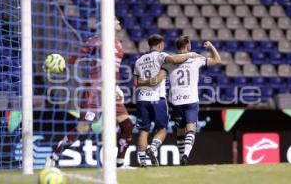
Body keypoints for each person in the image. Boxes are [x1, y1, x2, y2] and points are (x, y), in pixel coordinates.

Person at [45, 17, 133, 168]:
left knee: (127, 125)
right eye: (115, 19)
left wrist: (116, 87)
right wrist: (63, 62)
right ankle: (53, 157)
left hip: (111, 91)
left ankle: (119, 164)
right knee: (84, 127)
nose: (119, 21)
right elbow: (79, 55)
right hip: (95, 90)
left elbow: (114, 71)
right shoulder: (96, 40)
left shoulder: (118, 44)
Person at [140, 36, 221, 165]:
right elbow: (217, 60)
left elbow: (158, 78)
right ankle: (185, 155)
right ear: (188, 45)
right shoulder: (196, 59)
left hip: (176, 101)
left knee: (180, 132)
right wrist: (211, 46)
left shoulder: (169, 62)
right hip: (191, 100)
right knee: (191, 129)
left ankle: (168, 153)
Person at [133, 34, 199, 167]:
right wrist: (191, 55)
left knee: (143, 130)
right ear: (160, 45)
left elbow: (135, 83)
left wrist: (144, 82)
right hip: (157, 98)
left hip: (141, 99)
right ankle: (152, 148)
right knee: (162, 129)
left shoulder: (138, 61)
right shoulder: (161, 56)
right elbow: (173, 60)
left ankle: (143, 162)